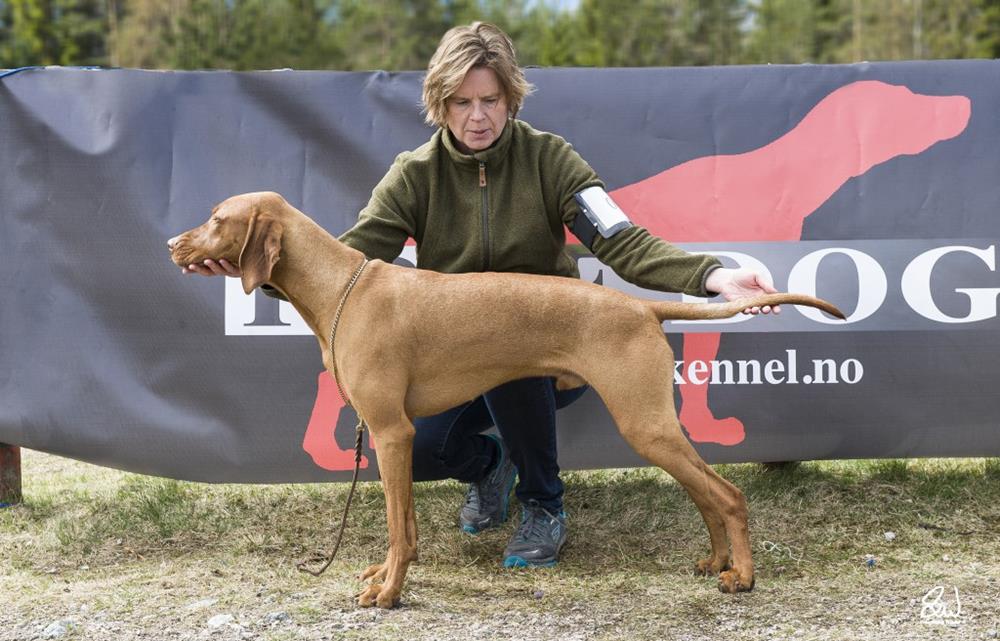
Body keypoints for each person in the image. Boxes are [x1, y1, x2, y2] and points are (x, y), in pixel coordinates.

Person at [184, 22, 778, 568]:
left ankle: (543, 504)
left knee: (521, 371)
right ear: (440, 105)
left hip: (555, 341)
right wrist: (251, 263)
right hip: (454, 355)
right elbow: (339, 270)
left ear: (510, 100)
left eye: (490, 100)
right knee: (412, 450)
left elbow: (622, 241)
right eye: (462, 102)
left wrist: (711, 277)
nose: (477, 117)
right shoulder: (414, 174)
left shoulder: (551, 159)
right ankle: (492, 469)